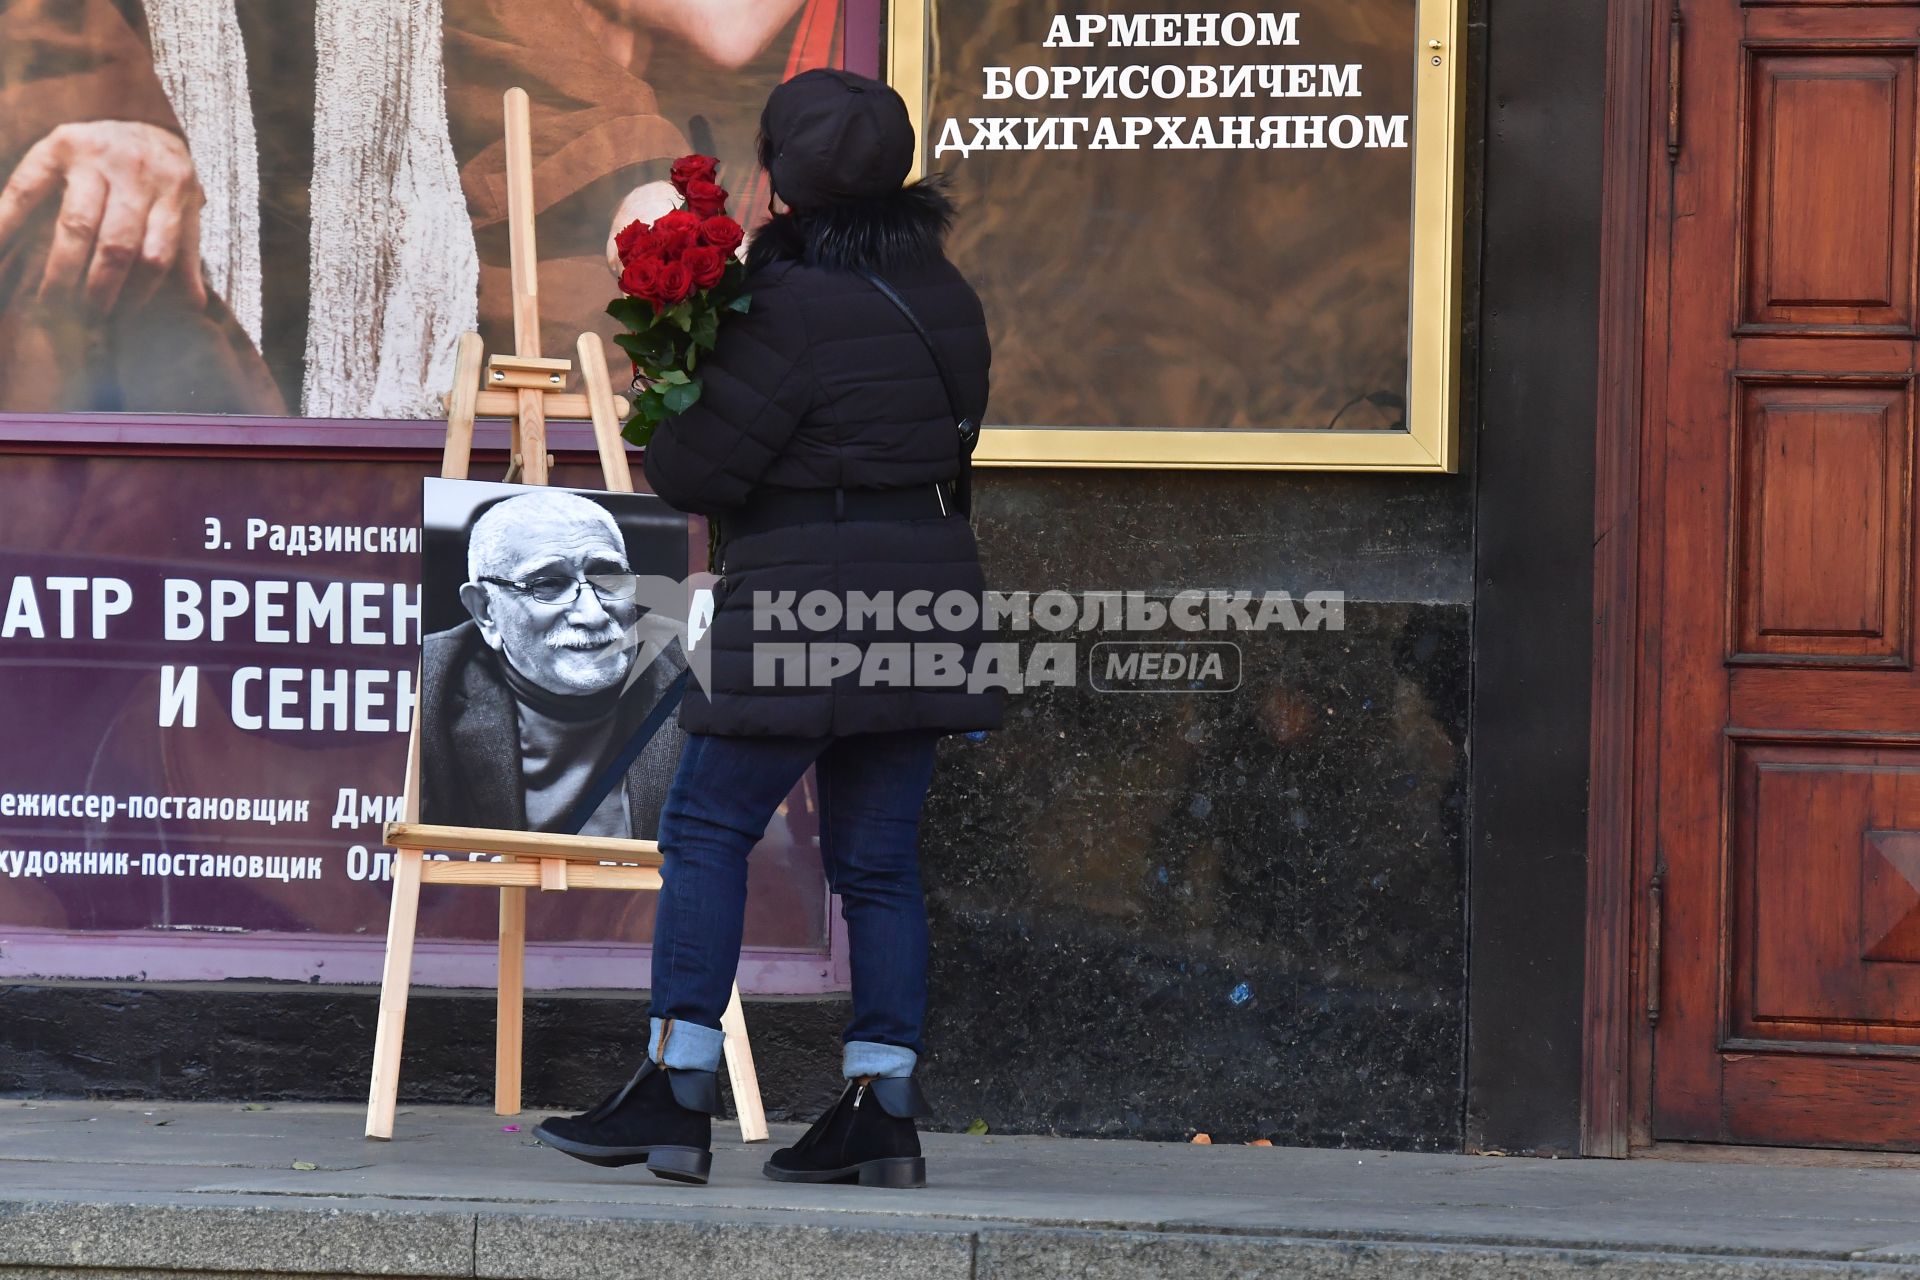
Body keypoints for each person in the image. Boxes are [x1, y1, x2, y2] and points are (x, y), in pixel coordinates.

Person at [532, 67, 999, 1189]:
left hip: (801, 593)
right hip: (927, 594)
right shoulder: (948, 296)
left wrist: (674, 366)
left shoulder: (783, 307)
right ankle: (882, 1108)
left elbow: (694, 468)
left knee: (706, 828)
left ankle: (675, 1086)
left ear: (783, 179)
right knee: (879, 863)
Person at [420, 490, 687, 840]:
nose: (592, 615)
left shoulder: (696, 676)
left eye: (608, 578)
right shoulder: (425, 688)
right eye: (547, 585)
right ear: (485, 611)